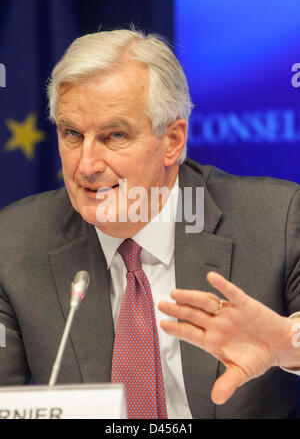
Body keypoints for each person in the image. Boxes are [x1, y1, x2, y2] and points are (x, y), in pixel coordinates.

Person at [0, 28, 300, 419]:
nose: (86, 165)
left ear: (172, 140)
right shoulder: (14, 243)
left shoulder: (277, 219)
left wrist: (288, 344)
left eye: (115, 136)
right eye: (72, 134)